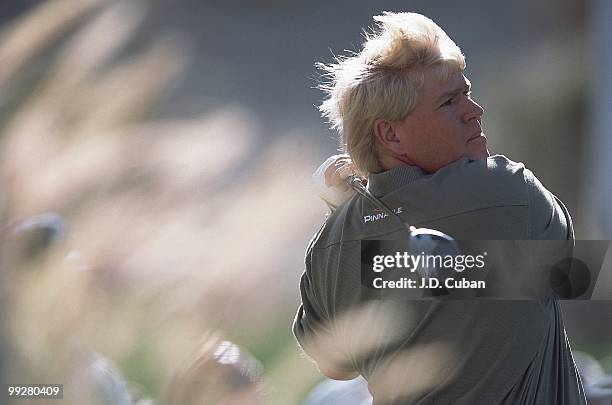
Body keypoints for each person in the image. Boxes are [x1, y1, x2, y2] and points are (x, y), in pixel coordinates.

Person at [293, 12, 586, 404]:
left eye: (467, 92)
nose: (474, 109)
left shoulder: (330, 246)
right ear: (391, 134)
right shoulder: (506, 193)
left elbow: (334, 362)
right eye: (450, 101)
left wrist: (354, 225)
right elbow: (570, 271)